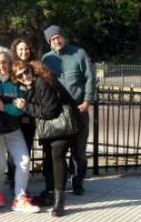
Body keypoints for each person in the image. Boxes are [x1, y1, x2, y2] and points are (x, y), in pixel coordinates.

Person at [12, 60, 79, 217]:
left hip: (61, 127)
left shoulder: (41, 82)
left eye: (26, 72)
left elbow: (50, 111)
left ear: (31, 70)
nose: (24, 76)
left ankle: (59, 202)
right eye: (20, 76)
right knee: (51, 158)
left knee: (57, 157)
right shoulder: (32, 86)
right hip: (52, 130)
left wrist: (25, 107)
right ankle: (52, 195)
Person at [42, 25, 95, 195]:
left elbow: (90, 77)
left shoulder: (79, 53)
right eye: (52, 39)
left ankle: (77, 181)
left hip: (79, 108)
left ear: (64, 37)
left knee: (79, 151)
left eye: (58, 37)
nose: (56, 41)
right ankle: (59, 183)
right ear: (49, 43)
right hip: (58, 112)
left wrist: (87, 100)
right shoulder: (47, 59)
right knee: (59, 151)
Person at [0, 47, 40, 213]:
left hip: (13, 128)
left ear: (10, 63)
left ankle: (20, 197)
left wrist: (5, 107)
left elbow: (20, 108)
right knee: (0, 164)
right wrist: (9, 105)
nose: (1, 66)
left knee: (23, 160)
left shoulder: (16, 81)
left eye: (5, 62)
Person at [7, 37, 38, 190]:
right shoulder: (11, 68)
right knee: (13, 153)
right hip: (14, 116)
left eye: (26, 49)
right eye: (20, 49)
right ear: (15, 51)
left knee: (26, 148)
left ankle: (21, 182)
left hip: (30, 115)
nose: (24, 52)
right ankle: (13, 181)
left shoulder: (35, 67)